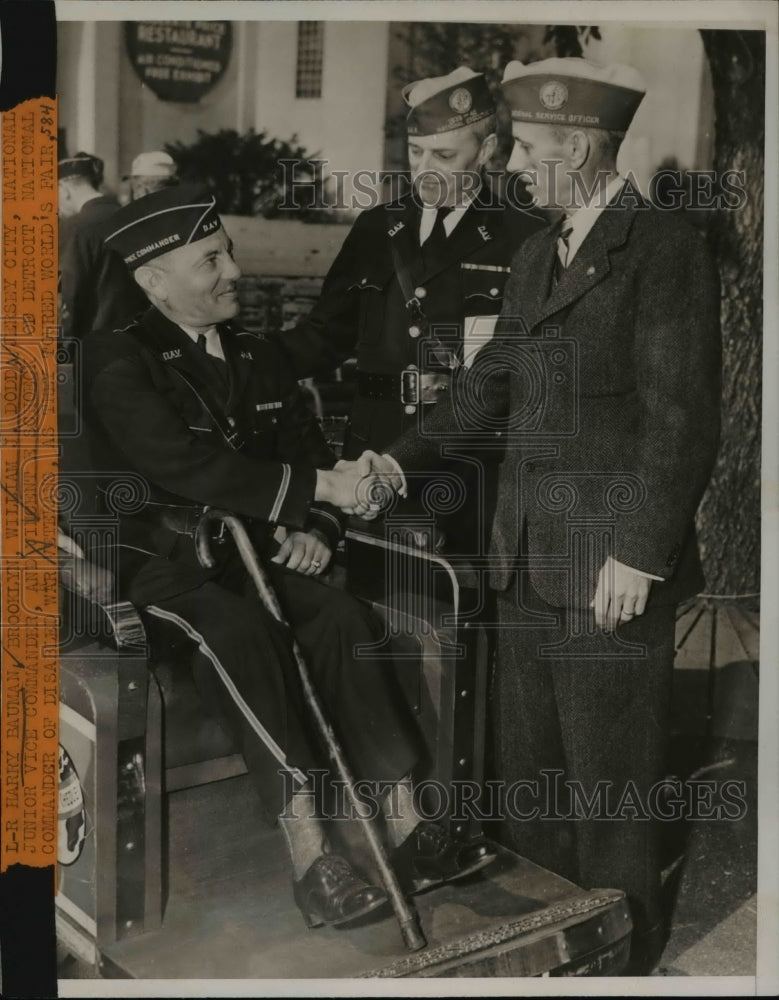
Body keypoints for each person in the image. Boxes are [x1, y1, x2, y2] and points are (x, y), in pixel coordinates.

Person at [346, 58, 721, 973]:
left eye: (526, 147)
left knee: (609, 782)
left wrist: (638, 553)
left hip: (605, 565)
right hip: (523, 555)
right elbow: (484, 390)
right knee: (535, 780)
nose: (511, 166)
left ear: (583, 150)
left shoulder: (661, 247)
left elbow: (682, 419)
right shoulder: (532, 257)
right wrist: (394, 461)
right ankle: (555, 956)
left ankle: (622, 961)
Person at [82, 184, 495, 928]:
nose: (232, 269)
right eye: (210, 260)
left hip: (251, 552)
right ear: (154, 282)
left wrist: (323, 529)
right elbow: (183, 467)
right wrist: (310, 488)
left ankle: (405, 831)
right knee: (239, 635)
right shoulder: (119, 361)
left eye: (229, 252)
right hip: (155, 565)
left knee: (339, 615)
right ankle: (312, 856)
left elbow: (304, 452)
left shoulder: (255, 355)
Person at [273, 67, 545, 553]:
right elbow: (324, 336)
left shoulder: (522, 235)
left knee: (463, 605)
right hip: (373, 450)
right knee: (375, 593)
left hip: (468, 459)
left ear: (485, 152)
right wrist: (240, 355)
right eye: (415, 153)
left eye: (444, 155)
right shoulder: (377, 227)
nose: (424, 170)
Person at [58, 152, 147, 341]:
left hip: (96, 341)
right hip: (138, 334)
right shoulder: (131, 216)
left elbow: (72, 294)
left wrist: (66, 344)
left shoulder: (75, 227)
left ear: (64, 189)